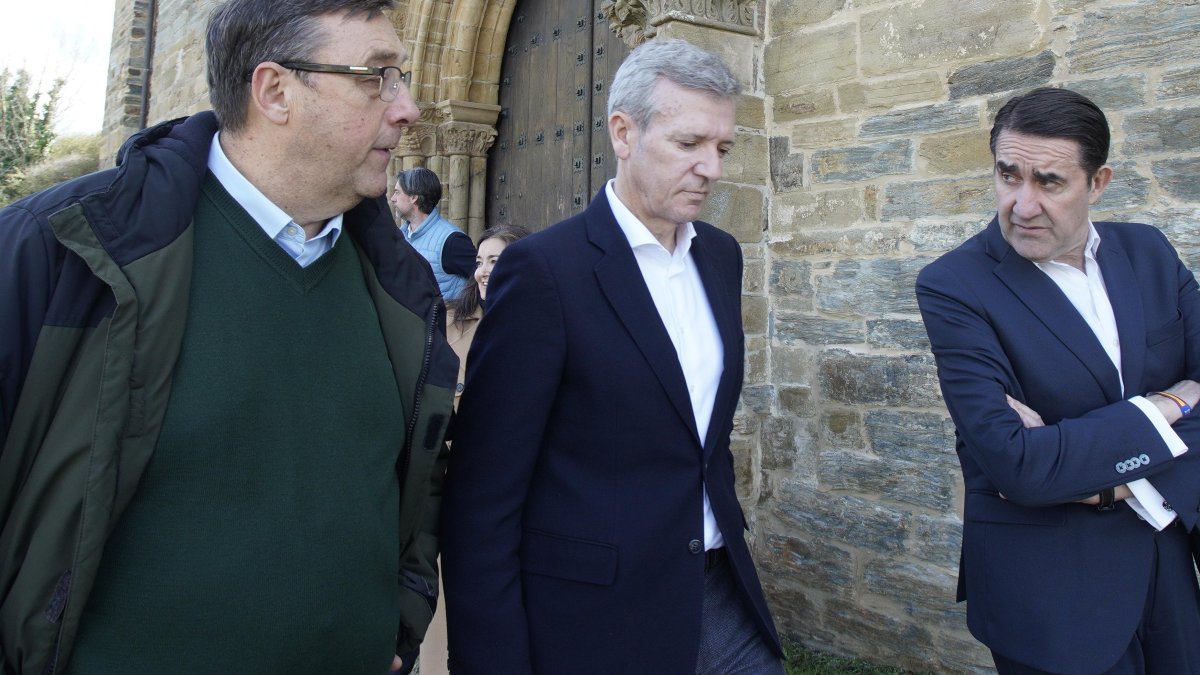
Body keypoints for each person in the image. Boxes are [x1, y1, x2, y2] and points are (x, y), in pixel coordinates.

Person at [0, 1, 458, 673]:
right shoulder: (64, 252)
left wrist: (401, 620)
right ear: (274, 91)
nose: (408, 107)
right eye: (377, 76)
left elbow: (416, 488)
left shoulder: (403, 290)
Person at [440, 38, 784, 674]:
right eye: (689, 144)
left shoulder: (720, 256)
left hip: (718, 590)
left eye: (723, 147)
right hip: (598, 614)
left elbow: (697, 434)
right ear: (623, 133)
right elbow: (484, 492)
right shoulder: (544, 272)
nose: (712, 167)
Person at [916, 87, 1200, 674]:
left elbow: (1048, 458)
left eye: (1048, 181)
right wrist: (1178, 400)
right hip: (1050, 589)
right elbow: (1017, 463)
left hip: (1168, 559)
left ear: (1098, 183)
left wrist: (1110, 481)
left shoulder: (1147, 251)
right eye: (1007, 175)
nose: (1021, 204)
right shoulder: (954, 286)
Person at [444, 224, 531, 409]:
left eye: (494, 261)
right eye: (479, 262)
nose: (482, 272)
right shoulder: (449, 321)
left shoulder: (545, 327)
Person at [392, 166, 475, 300]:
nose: (393, 198)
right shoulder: (400, 236)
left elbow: (485, 280)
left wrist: (465, 313)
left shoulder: (451, 240)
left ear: (413, 197)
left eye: (397, 192)